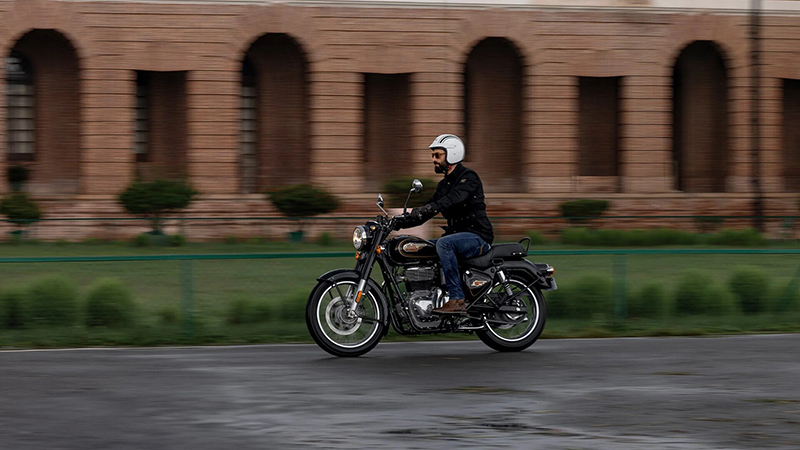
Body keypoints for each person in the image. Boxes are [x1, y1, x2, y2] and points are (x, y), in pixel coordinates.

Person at [395, 134, 494, 314]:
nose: (433, 159)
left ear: (452, 155)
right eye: (433, 155)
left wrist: (429, 208)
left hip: (477, 236)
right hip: (456, 236)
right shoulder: (443, 185)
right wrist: (397, 222)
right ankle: (427, 296)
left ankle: (457, 299)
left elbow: (454, 199)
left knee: (444, 243)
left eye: (437, 155)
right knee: (418, 247)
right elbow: (427, 211)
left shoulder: (468, 177)